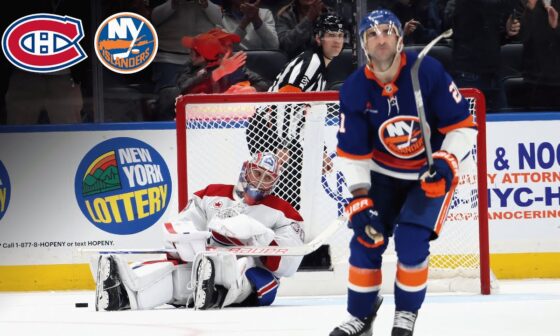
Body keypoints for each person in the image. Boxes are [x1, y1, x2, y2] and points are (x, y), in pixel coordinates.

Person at [329, 9, 477, 336]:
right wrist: (360, 199)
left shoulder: (428, 72)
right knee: (365, 240)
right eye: (372, 33)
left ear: (399, 37)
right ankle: (361, 315)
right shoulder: (354, 88)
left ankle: (406, 314)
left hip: (428, 175)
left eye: (386, 31)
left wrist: (445, 163)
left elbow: (464, 129)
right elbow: (352, 153)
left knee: (411, 241)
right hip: (382, 175)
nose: (380, 38)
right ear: (364, 44)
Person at [93, 152, 305, 311]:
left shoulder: (285, 213)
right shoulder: (210, 194)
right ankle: (122, 294)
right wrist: (190, 243)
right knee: (175, 274)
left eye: (267, 178)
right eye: (257, 173)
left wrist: (259, 238)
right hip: (204, 262)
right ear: (245, 170)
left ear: (275, 183)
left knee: (243, 267)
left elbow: (289, 264)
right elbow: (182, 227)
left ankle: (215, 293)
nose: (259, 181)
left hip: (252, 272)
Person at [246, 14, 345, 209]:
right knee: (280, 191)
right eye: (331, 35)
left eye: (341, 35)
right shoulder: (312, 62)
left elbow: (307, 117)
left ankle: (286, 234)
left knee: (292, 193)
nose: (337, 41)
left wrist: (321, 151)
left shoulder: (320, 67)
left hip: (282, 133)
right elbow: (286, 100)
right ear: (318, 38)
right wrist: (283, 144)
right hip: (268, 131)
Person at [154, 28, 270, 120]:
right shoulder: (193, 67)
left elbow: (265, 84)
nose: (229, 50)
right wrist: (217, 73)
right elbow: (182, 91)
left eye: (230, 45)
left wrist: (252, 90)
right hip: (195, 122)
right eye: (224, 45)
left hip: (233, 120)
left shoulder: (238, 68)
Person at [450, 0, 520, 111]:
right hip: (469, 74)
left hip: (493, 74)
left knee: (503, 123)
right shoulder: (466, 4)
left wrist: (506, 32)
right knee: (467, 123)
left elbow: (490, 35)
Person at [519, 0, 560, 108]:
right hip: (533, 79)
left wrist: (555, 27)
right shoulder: (526, 6)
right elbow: (521, 37)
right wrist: (531, 10)